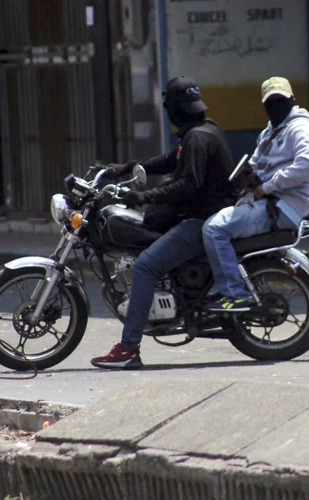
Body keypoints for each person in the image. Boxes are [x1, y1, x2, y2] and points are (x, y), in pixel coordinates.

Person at [90, 76, 236, 370]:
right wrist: (127, 168)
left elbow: (188, 185)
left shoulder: (196, 138)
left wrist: (141, 196)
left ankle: (129, 348)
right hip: (203, 216)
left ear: (175, 109)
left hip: (200, 221)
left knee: (145, 265)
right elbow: (171, 160)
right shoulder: (205, 131)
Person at [203, 76, 309, 313]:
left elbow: (307, 165)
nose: (275, 105)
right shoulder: (271, 131)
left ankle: (234, 294)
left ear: (292, 100)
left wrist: (266, 187)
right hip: (270, 201)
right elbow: (258, 163)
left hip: (283, 207)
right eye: (270, 102)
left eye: (280, 100)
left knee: (214, 229)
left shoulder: (300, 127)